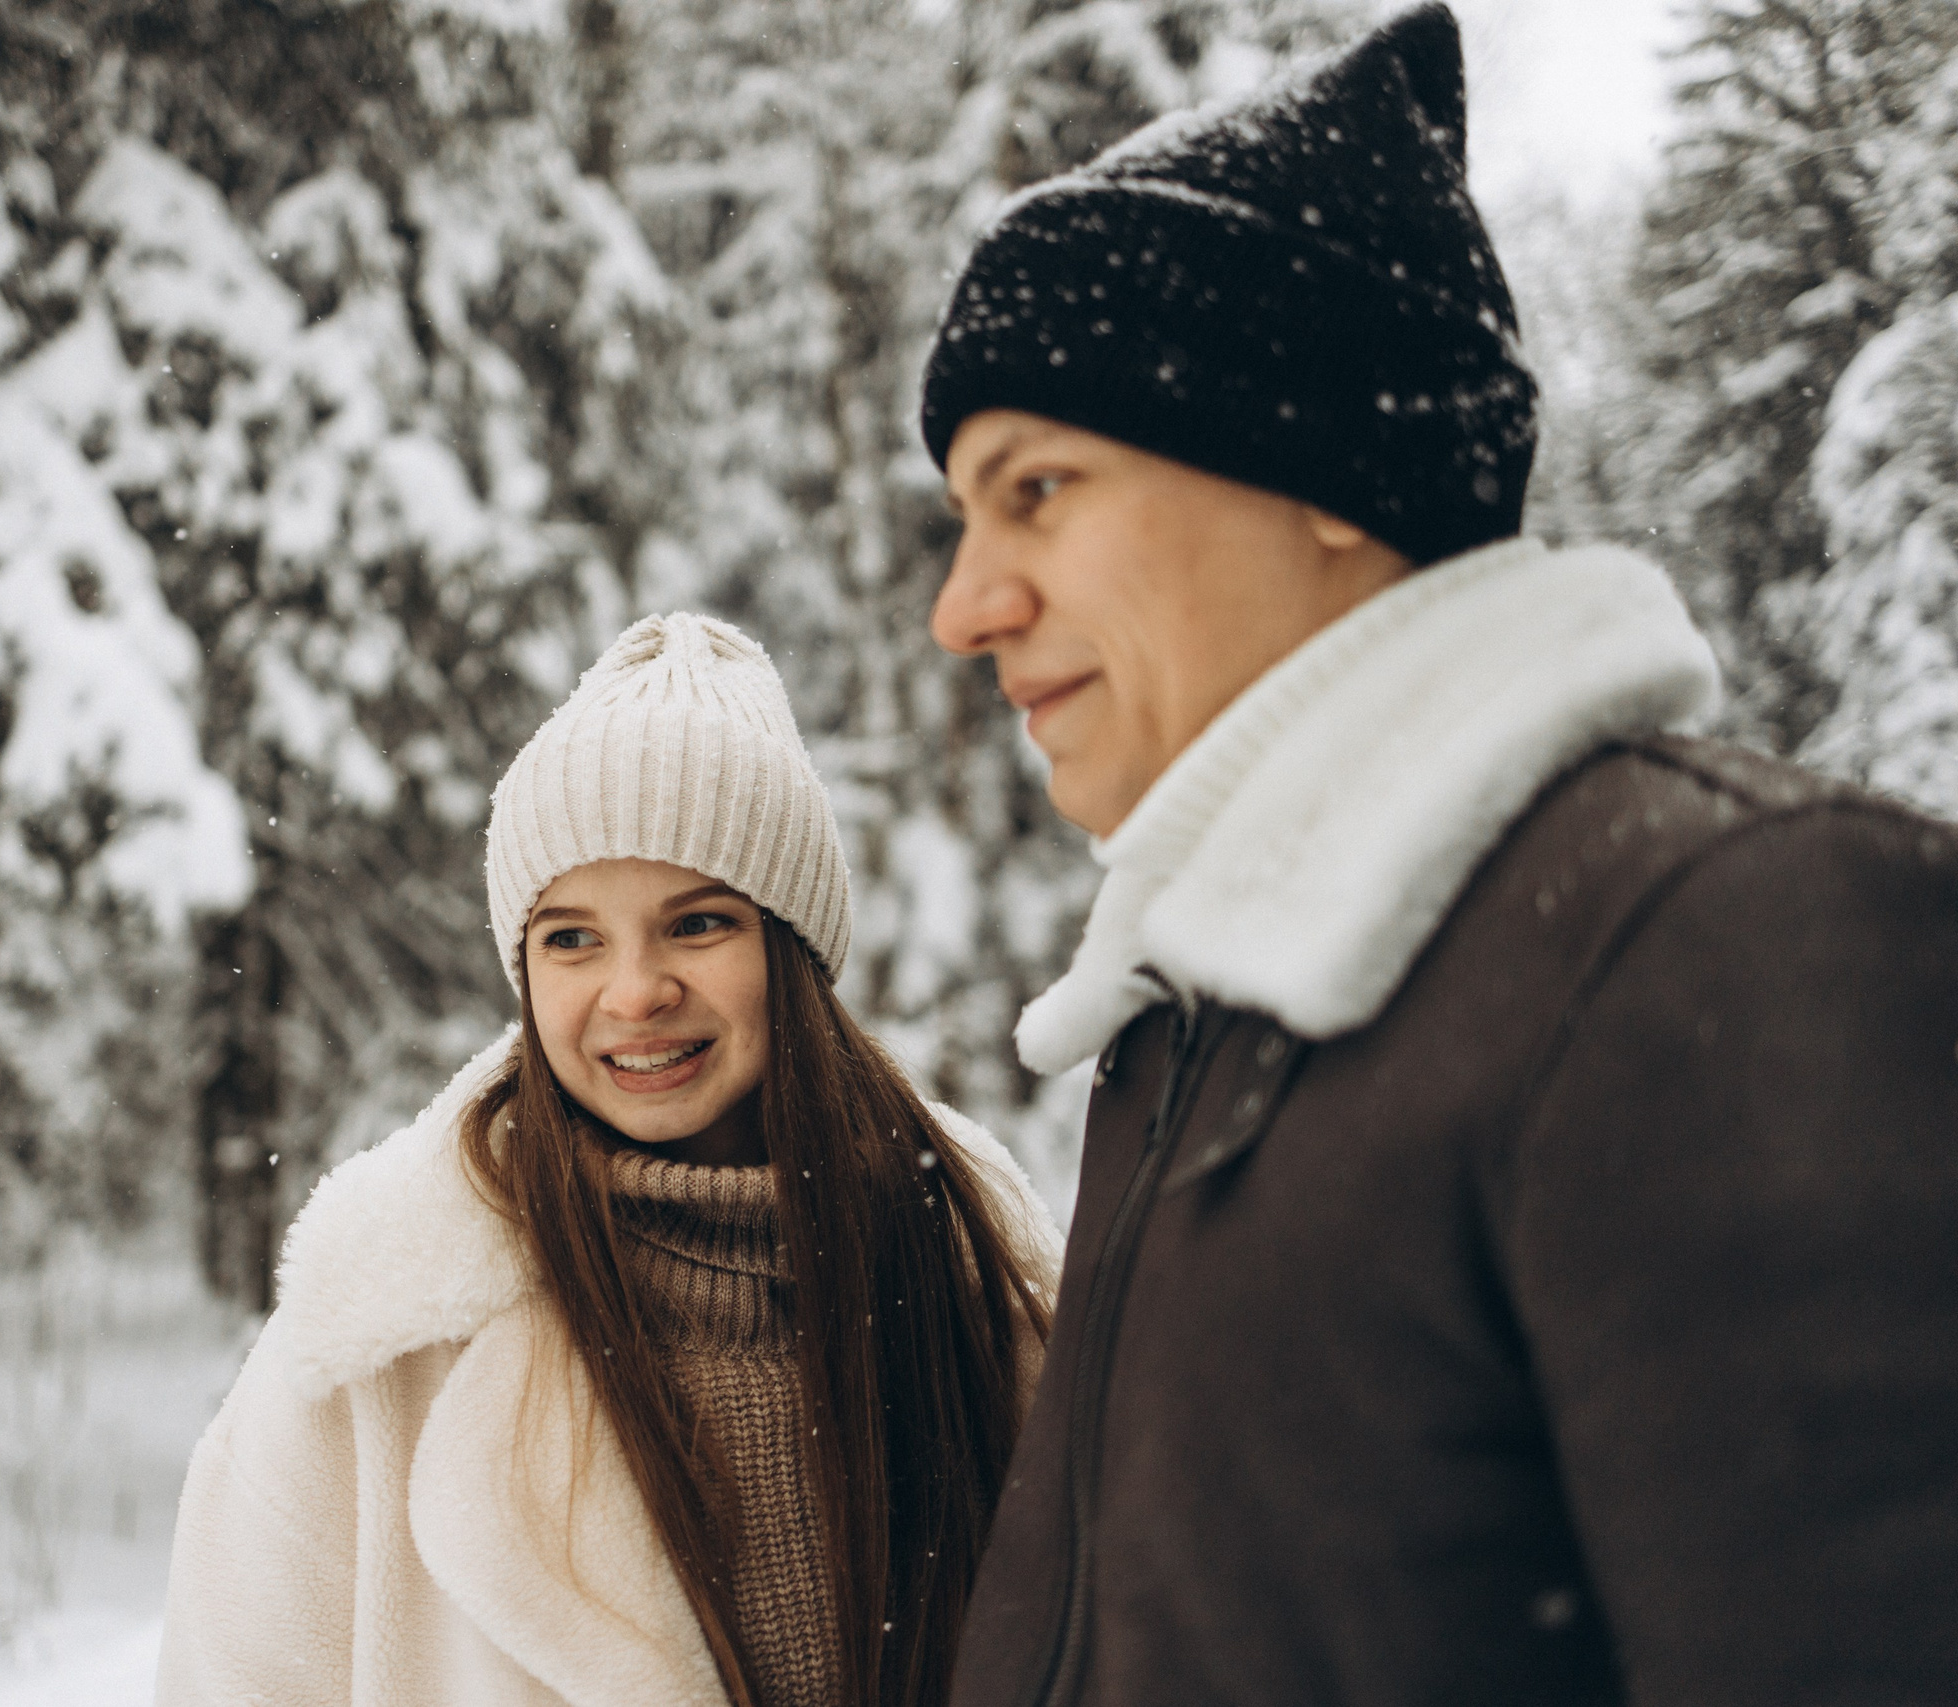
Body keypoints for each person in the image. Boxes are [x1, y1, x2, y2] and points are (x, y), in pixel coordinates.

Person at [916, 5, 1958, 1705]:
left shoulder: (1715, 932)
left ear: (1320, 469)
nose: (965, 605)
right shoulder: (1193, 1030)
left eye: (1036, 490)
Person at [155, 611, 1062, 1707]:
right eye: (571, 938)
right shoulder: (373, 1339)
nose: (633, 992)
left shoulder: (978, 1273)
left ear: (793, 950)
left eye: (697, 925)